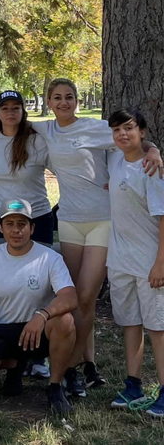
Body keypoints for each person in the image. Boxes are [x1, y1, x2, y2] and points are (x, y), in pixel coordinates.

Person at [0, 78, 163, 397]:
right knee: (70, 296)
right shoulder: (46, 130)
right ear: (48, 102)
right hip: (70, 221)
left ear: (76, 100)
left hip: (103, 220)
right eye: (57, 97)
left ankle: (72, 370)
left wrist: (155, 150)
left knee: (86, 298)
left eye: (69, 97)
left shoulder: (96, 127)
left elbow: (131, 138)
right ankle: (78, 365)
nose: (64, 102)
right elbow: (14, 119)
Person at [0, 199, 77, 415]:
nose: (16, 230)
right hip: (4, 331)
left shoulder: (50, 258)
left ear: (31, 228)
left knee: (66, 320)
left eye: (21, 224)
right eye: (9, 224)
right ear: (1, 228)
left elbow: (70, 297)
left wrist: (42, 315)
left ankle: (55, 387)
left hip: (38, 331)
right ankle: (13, 363)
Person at [0, 90, 55, 378]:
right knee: (7, 285)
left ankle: (40, 355)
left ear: (23, 111)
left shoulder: (37, 140)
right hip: (0, 220)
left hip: (36, 218)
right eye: (5, 108)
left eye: (16, 107)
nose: (11, 112)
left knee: (40, 287)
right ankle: (14, 351)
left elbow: (66, 168)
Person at [106, 109, 164, 416]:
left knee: (158, 328)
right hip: (119, 261)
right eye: (117, 130)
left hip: (149, 263)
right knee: (131, 323)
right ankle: (133, 385)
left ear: (141, 130)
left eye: (129, 128)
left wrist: (160, 263)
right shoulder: (114, 160)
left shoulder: (152, 168)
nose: (122, 135)